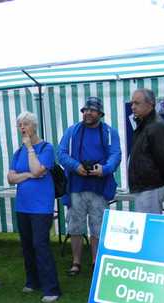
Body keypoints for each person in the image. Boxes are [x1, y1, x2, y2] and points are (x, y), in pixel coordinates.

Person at [58, 97, 121, 276]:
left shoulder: (109, 132)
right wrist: (75, 166)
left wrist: (105, 169)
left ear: (100, 114)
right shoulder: (72, 131)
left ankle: (96, 261)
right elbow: (61, 153)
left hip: (99, 187)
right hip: (76, 186)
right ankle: (76, 262)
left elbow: (116, 154)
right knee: (75, 226)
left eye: (92, 110)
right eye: (85, 110)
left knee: (98, 225)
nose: (87, 113)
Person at [7, 112, 61, 303]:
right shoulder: (17, 152)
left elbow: (39, 169)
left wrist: (30, 148)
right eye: (20, 124)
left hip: (41, 207)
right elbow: (11, 178)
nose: (22, 128)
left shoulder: (46, 148)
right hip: (23, 206)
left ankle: (51, 288)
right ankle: (33, 281)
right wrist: (28, 175)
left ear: (35, 126)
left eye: (26, 124)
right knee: (27, 245)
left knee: (40, 245)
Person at [129, 88, 164, 213]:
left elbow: (163, 159)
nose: (133, 107)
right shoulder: (145, 124)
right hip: (145, 188)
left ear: (150, 104)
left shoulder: (155, 126)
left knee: (148, 227)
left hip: (151, 187)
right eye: (132, 103)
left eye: (137, 103)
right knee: (146, 226)